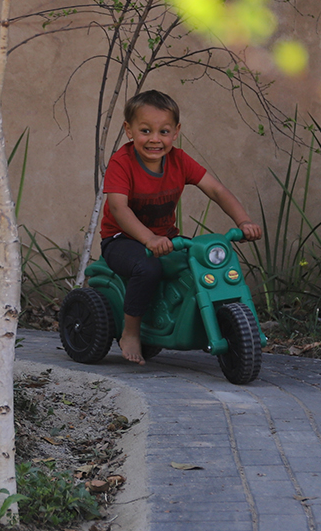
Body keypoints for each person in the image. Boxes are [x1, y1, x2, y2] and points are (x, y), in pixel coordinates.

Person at [99, 89, 263, 364]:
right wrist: (148, 238)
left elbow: (217, 190)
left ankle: (186, 318)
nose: (155, 139)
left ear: (175, 132)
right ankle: (130, 331)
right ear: (129, 130)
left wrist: (243, 221)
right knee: (147, 267)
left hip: (166, 238)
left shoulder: (179, 160)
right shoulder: (122, 162)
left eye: (163, 131)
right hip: (122, 239)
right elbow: (119, 208)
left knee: (202, 263)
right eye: (145, 130)